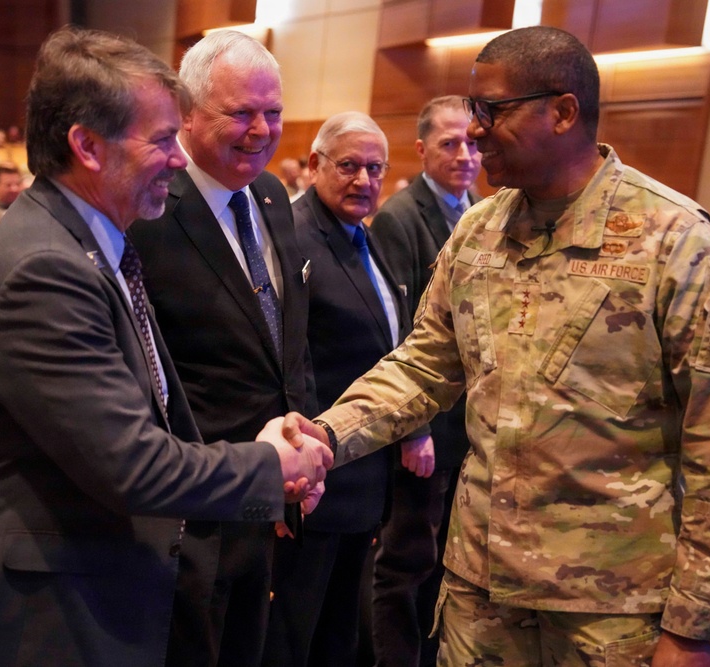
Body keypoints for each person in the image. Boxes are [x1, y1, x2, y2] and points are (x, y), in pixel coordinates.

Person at [285, 26, 710, 666]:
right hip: (479, 599)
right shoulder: (480, 232)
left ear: (564, 111)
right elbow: (424, 367)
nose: (476, 129)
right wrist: (326, 436)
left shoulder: (673, 242)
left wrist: (691, 624)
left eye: (491, 111)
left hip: (611, 613)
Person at [0, 26, 331, 667]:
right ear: (87, 147)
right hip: (45, 619)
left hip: (104, 589)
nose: (179, 161)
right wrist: (267, 466)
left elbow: (162, 414)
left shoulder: (91, 242)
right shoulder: (43, 268)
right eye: (163, 139)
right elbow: (132, 465)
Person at [126, 29, 316, 667]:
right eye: (241, 113)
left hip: (268, 494)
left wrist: (299, 449)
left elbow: (289, 340)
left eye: (274, 112)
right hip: (190, 509)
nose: (262, 130)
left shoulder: (268, 195)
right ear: (187, 111)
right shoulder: (147, 206)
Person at [263, 112, 420, 667]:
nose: (364, 181)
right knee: (293, 636)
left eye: (375, 169)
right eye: (349, 166)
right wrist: (291, 472)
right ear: (314, 165)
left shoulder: (363, 237)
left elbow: (394, 342)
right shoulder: (296, 238)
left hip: (362, 477)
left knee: (338, 634)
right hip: (315, 478)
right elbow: (290, 360)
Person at [367, 94, 481, 667]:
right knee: (406, 562)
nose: (466, 155)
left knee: (448, 562)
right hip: (426, 428)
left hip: (471, 428)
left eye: (473, 142)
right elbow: (399, 331)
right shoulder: (400, 217)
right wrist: (413, 428)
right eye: (450, 143)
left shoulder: (482, 210)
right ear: (421, 150)